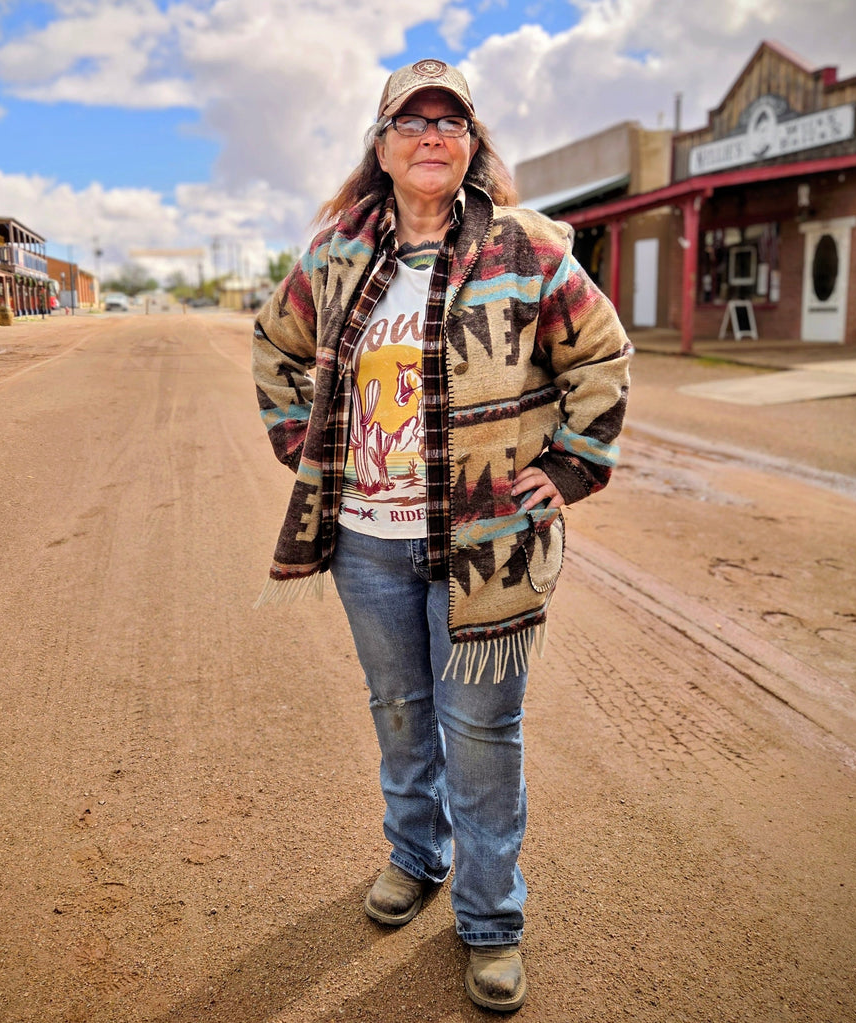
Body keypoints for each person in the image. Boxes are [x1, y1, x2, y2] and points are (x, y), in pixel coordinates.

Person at [252, 59, 632, 1013]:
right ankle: (415, 855)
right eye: (409, 120)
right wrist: (308, 444)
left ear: (471, 144)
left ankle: (491, 918)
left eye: (449, 119)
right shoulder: (335, 255)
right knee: (398, 710)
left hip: (489, 543)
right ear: (381, 148)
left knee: (482, 733)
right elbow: (275, 345)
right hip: (368, 542)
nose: (431, 133)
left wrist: (576, 461)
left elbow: (603, 353)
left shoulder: (528, 248)